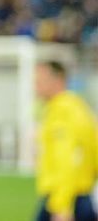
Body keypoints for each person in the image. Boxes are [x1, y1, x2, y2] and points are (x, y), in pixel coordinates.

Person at [35, 61, 98, 221]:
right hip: (78, 194)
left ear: (58, 80)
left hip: (67, 198)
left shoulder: (63, 111)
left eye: (40, 81)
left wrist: (62, 206)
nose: (36, 86)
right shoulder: (77, 107)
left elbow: (67, 160)